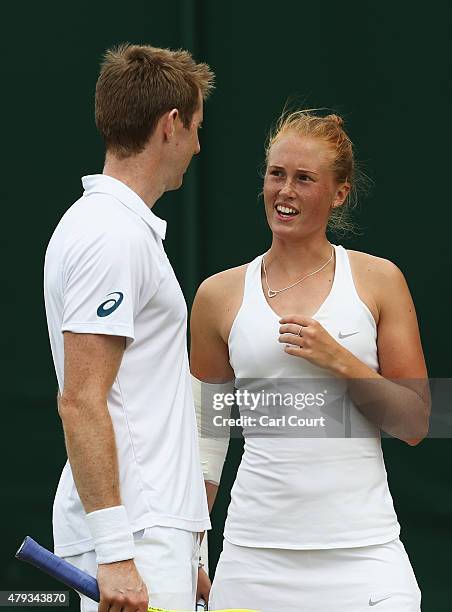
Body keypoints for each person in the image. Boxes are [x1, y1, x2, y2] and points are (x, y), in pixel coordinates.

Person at [190, 110, 430, 612]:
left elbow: (415, 421)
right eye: (276, 174)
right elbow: (206, 439)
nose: (285, 192)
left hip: (364, 554)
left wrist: (342, 360)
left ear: (339, 193)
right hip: (253, 557)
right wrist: (189, 549)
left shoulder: (379, 280)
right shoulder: (218, 295)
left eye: (304, 179)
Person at [44, 43, 214, 612]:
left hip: (153, 534)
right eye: (194, 128)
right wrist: (117, 552)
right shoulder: (109, 235)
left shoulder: (117, 229)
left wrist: (186, 549)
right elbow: (81, 400)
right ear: (170, 126)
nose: (197, 145)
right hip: (135, 539)